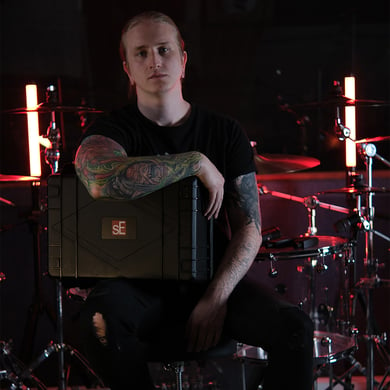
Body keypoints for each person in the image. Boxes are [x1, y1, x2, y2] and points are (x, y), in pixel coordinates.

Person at [74, 10, 314, 389]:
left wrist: (217, 298)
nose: (154, 60)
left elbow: (249, 229)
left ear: (183, 60)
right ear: (127, 68)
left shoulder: (224, 131)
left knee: (296, 328)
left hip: (209, 279)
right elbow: (99, 179)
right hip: (135, 284)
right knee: (98, 325)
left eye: (164, 49)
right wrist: (194, 163)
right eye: (141, 53)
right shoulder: (112, 130)